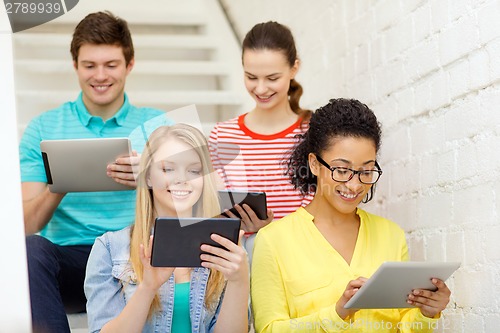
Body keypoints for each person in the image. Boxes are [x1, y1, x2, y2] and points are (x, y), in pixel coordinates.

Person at [19, 11, 171, 332]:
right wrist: (58, 185)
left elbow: (191, 204)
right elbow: (28, 224)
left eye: (111, 65)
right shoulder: (43, 127)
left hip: (137, 255)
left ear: (129, 65)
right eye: (89, 65)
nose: (100, 75)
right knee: (30, 251)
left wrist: (149, 178)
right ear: (75, 66)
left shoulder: (159, 126)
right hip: (73, 262)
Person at [251, 98, 452, 332]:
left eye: (366, 171)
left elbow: (405, 326)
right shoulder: (274, 240)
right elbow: (268, 329)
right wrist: (337, 314)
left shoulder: (391, 235)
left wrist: (426, 313)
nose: (355, 185)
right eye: (342, 170)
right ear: (314, 164)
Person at [84, 124, 249, 332]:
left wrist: (239, 282)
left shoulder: (226, 247)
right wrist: (147, 288)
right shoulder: (109, 248)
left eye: (194, 170)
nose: (181, 179)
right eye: (168, 169)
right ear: (148, 177)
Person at [209, 21, 312, 236]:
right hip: (242, 262)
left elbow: (320, 216)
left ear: (294, 68)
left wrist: (267, 232)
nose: (261, 89)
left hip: (299, 261)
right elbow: (213, 212)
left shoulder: (312, 133)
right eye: (251, 77)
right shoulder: (222, 135)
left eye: (272, 78)